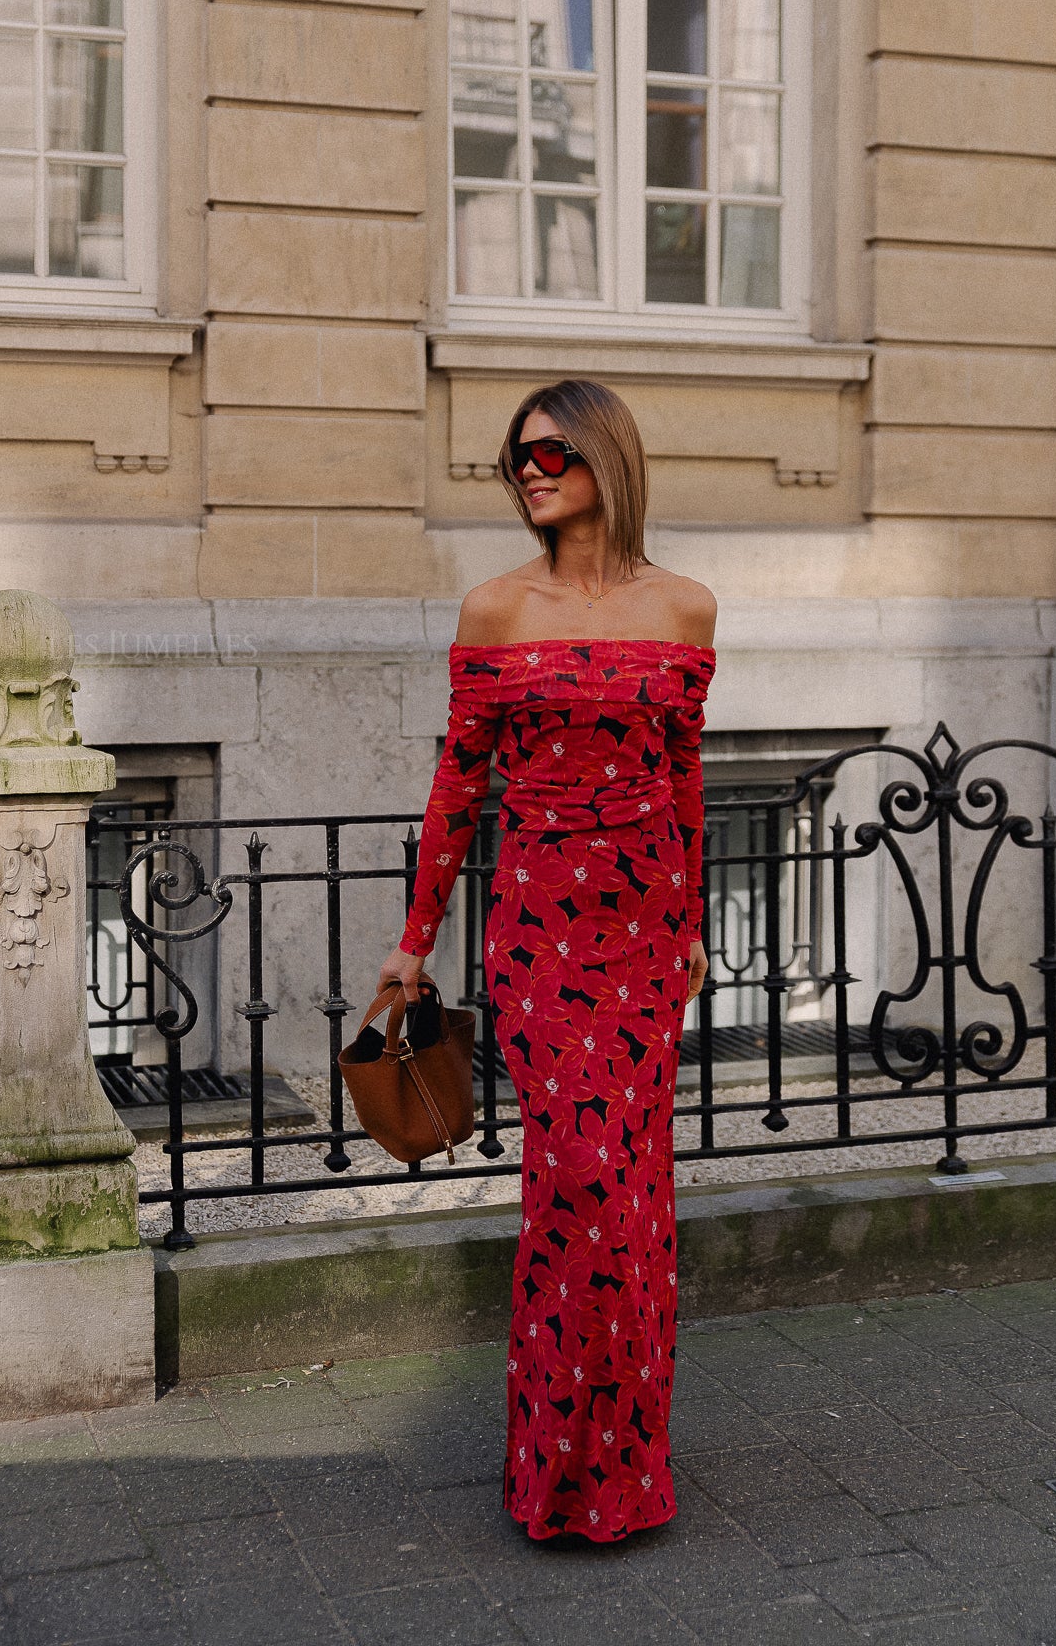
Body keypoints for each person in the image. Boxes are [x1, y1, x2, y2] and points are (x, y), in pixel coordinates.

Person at [380, 376, 716, 1545]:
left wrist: (696, 925)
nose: (528, 469)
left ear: (603, 458)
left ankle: (624, 1472)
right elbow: (456, 787)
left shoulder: (684, 608)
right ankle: (553, 1473)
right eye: (515, 456)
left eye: (548, 451)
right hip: (539, 943)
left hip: (647, 943)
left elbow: (682, 780)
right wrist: (414, 940)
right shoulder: (494, 610)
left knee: (635, 1203)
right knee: (576, 1183)